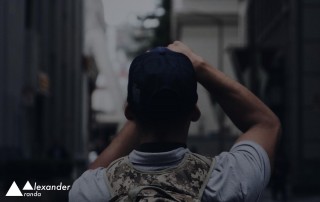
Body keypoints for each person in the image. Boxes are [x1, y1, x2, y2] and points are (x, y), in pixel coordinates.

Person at [69, 41, 281, 201]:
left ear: (129, 113)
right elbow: (265, 123)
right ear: (195, 112)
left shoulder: (93, 190)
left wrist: (149, 103)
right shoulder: (227, 181)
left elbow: (93, 174)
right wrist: (199, 66)